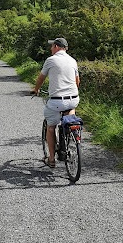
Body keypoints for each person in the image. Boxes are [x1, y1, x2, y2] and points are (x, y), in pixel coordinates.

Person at [32, 37, 80, 168]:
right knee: (69, 113)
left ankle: (51, 158)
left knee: (51, 127)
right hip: (73, 99)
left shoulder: (51, 60)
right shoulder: (72, 60)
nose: (50, 48)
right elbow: (77, 82)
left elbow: (41, 78)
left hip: (56, 101)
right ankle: (69, 133)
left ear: (57, 47)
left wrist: (35, 90)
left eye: (52, 46)